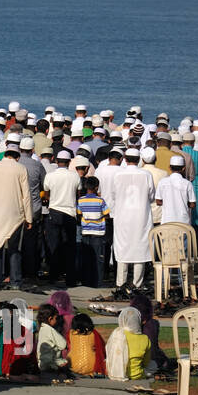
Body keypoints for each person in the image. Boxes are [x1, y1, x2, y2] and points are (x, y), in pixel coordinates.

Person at [0, 142, 30, 289]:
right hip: (16, 215)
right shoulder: (21, 169)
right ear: (17, 156)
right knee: (14, 249)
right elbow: (25, 195)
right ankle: (16, 281)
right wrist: (29, 218)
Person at [110, 148, 154, 292]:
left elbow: (114, 195)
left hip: (123, 216)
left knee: (123, 247)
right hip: (141, 216)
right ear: (139, 159)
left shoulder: (117, 174)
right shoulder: (146, 174)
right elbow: (151, 196)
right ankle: (137, 283)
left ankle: (120, 283)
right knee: (140, 248)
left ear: (125, 159)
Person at [42, 148, 80, 286]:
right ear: (69, 162)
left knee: (53, 246)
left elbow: (46, 194)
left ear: (57, 161)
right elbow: (78, 193)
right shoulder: (75, 176)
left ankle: (53, 276)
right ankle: (70, 278)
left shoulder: (50, 175)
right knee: (70, 247)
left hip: (54, 212)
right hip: (70, 213)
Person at [76, 177, 109, 289]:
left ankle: (86, 281)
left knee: (86, 257)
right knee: (98, 258)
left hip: (85, 232)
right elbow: (106, 213)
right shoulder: (100, 201)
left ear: (86, 187)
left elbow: (79, 213)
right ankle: (98, 282)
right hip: (98, 233)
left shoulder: (80, 200)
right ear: (96, 187)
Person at [68, 312, 106, 377]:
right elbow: (101, 348)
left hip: (72, 365)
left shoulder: (70, 333)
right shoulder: (93, 333)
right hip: (91, 366)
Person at [35, 303, 69, 375]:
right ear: (50, 319)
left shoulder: (42, 328)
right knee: (66, 362)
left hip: (42, 363)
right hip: (51, 363)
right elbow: (63, 344)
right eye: (55, 318)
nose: (56, 321)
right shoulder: (49, 329)